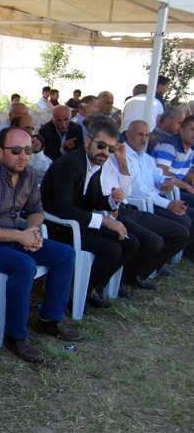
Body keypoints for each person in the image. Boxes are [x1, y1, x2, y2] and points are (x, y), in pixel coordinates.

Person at [0, 127, 81, 362]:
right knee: (24, 266)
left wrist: (32, 231)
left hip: (11, 239)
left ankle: (50, 320)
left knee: (65, 254)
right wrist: (19, 236)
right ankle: (16, 336)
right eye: (15, 150)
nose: (22, 155)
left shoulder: (28, 174)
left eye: (27, 150)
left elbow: (36, 210)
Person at [41, 119, 184, 306]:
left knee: (130, 242)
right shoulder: (69, 165)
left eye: (110, 149)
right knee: (112, 249)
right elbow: (64, 209)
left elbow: (93, 199)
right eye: (101, 145)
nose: (105, 152)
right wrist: (105, 221)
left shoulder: (94, 163)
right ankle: (76, 293)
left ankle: (88, 288)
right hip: (59, 227)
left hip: (79, 222)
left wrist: (111, 200)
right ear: (87, 142)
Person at [121, 120, 194, 258]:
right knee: (183, 223)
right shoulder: (121, 156)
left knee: (187, 217)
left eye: (147, 135)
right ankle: (154, 262)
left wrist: (168, 181)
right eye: (140, 135)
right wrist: (168, 204)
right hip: (137, 205)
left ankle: (162, 259)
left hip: (155, 200)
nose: (144, 139)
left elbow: (158, 176)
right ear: (128, 134)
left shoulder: (145, 158)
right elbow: (137, 188)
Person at [152, 115, 194, 205]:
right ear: (181, 130)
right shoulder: (169, 145)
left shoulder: (191, 148)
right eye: (192, 129)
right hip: (160, 191)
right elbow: (163, 172)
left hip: (176, 189)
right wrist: (187, 186)